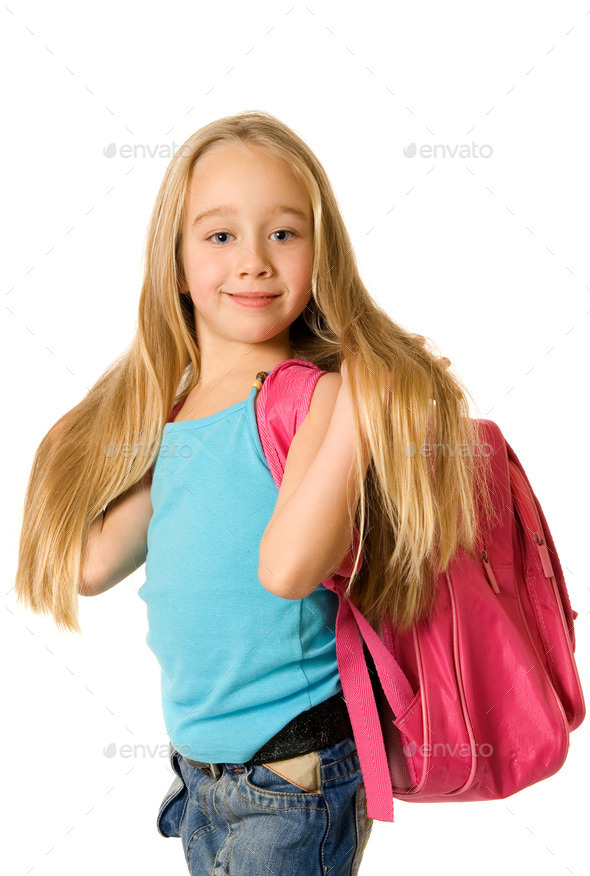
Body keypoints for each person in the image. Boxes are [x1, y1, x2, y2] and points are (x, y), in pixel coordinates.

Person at [15, 110, 496, 875]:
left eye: (283, 233)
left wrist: (359, 390)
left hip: (290, 777)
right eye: (219, 236)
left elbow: (287, 569)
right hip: (200, 781)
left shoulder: (309, 397)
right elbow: (89, 565)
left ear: (321, 255)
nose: (254, 262)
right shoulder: (175, 414)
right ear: (173, 264)